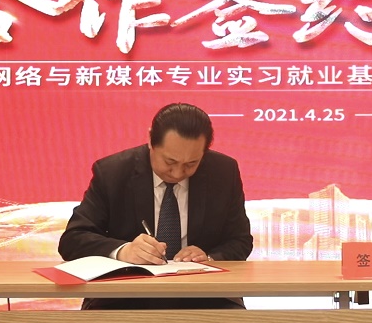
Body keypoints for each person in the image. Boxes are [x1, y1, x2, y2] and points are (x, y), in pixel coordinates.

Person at [58, 102, 253, 309]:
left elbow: (240, 240)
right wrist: (124, 251)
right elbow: (73, 240)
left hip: (204, 295)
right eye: (170, 162)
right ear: (151, 140)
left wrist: (209, 257)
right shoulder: (112, 173)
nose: (178, 173)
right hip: (123, 295)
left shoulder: (224, 172)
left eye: (191, 164)